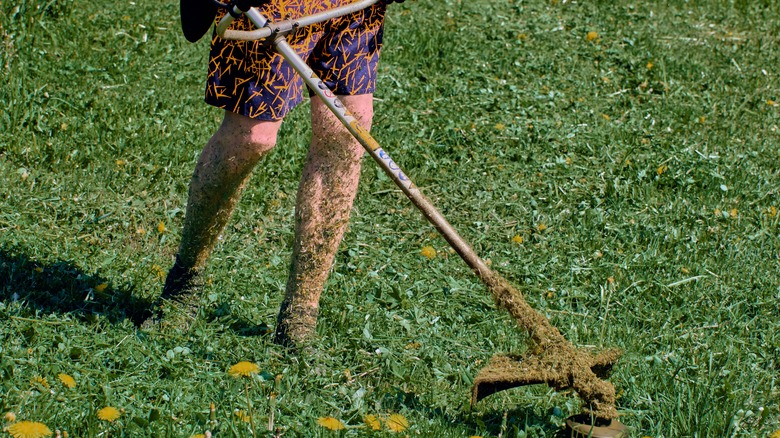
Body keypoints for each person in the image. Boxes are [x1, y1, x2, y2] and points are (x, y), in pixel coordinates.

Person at [136, 0, 404, 347]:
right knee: (252, 137)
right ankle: (184, 280)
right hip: (276, 4)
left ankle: (300, 317)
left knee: (345, 132)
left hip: (355, 6)